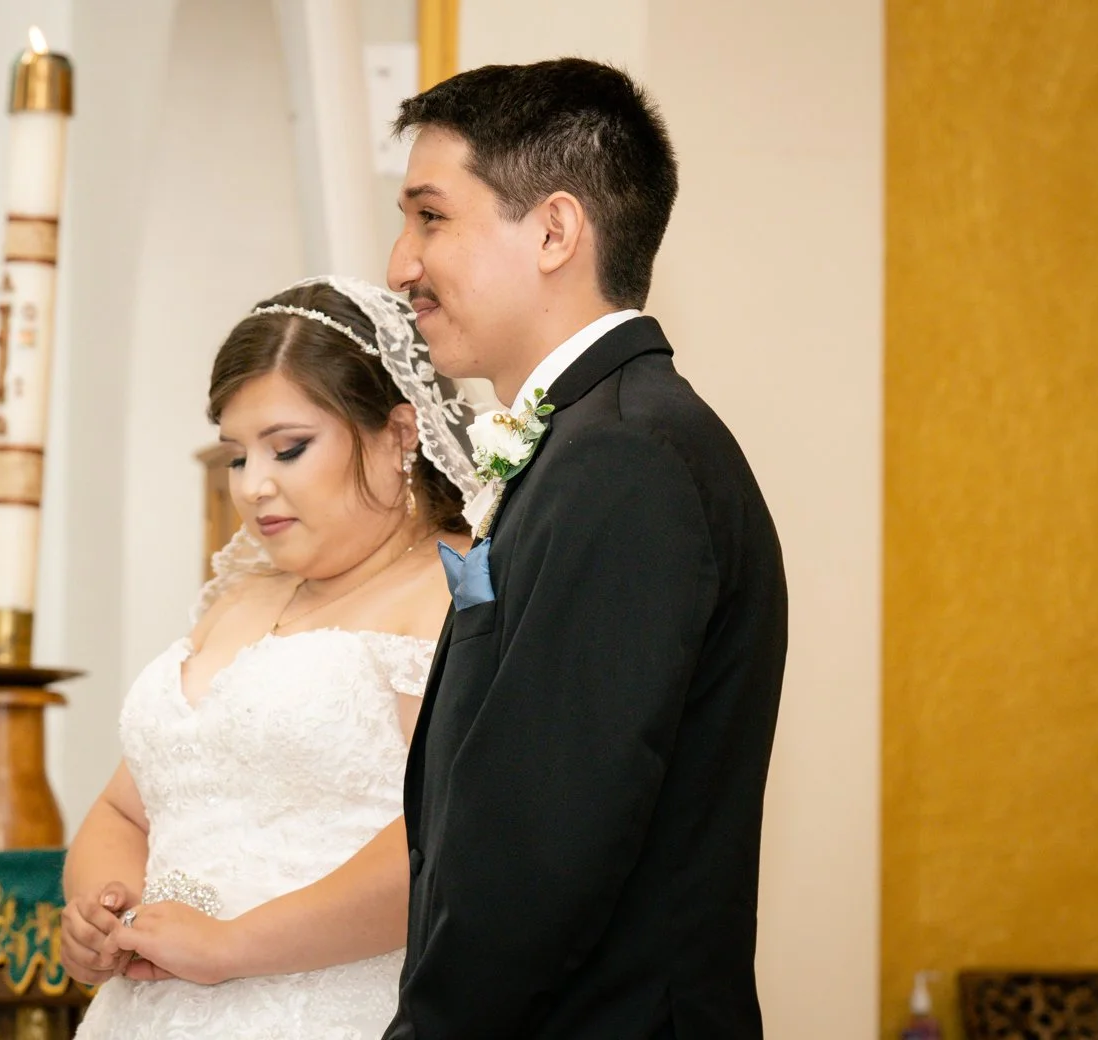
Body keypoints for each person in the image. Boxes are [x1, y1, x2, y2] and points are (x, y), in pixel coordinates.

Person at [383, 58, 789, 1039]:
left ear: (556, 231)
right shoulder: (588, 442)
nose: (401, 264)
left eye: (431, 217)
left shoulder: (627, 461)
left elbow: (541, 845)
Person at [60, 275, 481, 1039]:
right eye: (236, 456)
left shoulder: (459, 587)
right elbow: (129, 806)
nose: (253, 487)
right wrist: (103, 905)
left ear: (399, 434)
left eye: (288, 448)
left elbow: (454, 836)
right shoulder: (240, 596)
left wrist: (231, 946)